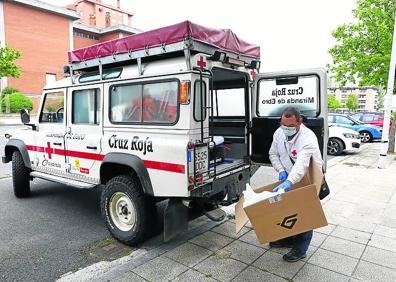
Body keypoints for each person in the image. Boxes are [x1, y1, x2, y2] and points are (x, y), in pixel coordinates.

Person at [269, 106, 323, 262]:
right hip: (288, 177)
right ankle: (288, 238)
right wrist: (280, 170)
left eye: (291, 126)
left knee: (305, 213)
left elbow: (302, 164)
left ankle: (301, 248)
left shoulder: (308, 138)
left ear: (300, 122)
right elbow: (273, 154)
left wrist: (289, 182)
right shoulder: (279, 133)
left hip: (308, 178)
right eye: (284, 125)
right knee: (287, 209)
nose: (286, 129)